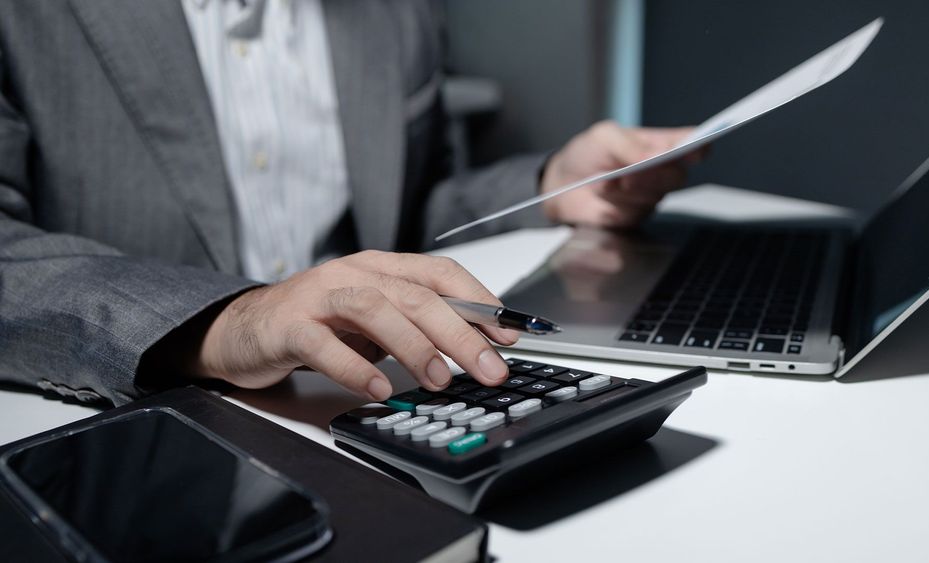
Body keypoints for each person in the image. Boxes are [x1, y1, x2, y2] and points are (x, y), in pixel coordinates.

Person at [0, 1, 698, 407]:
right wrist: (230, 320)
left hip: (356, 405)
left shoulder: (396, 15)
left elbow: (412, 208)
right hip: (130, 422)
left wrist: (555, 185)